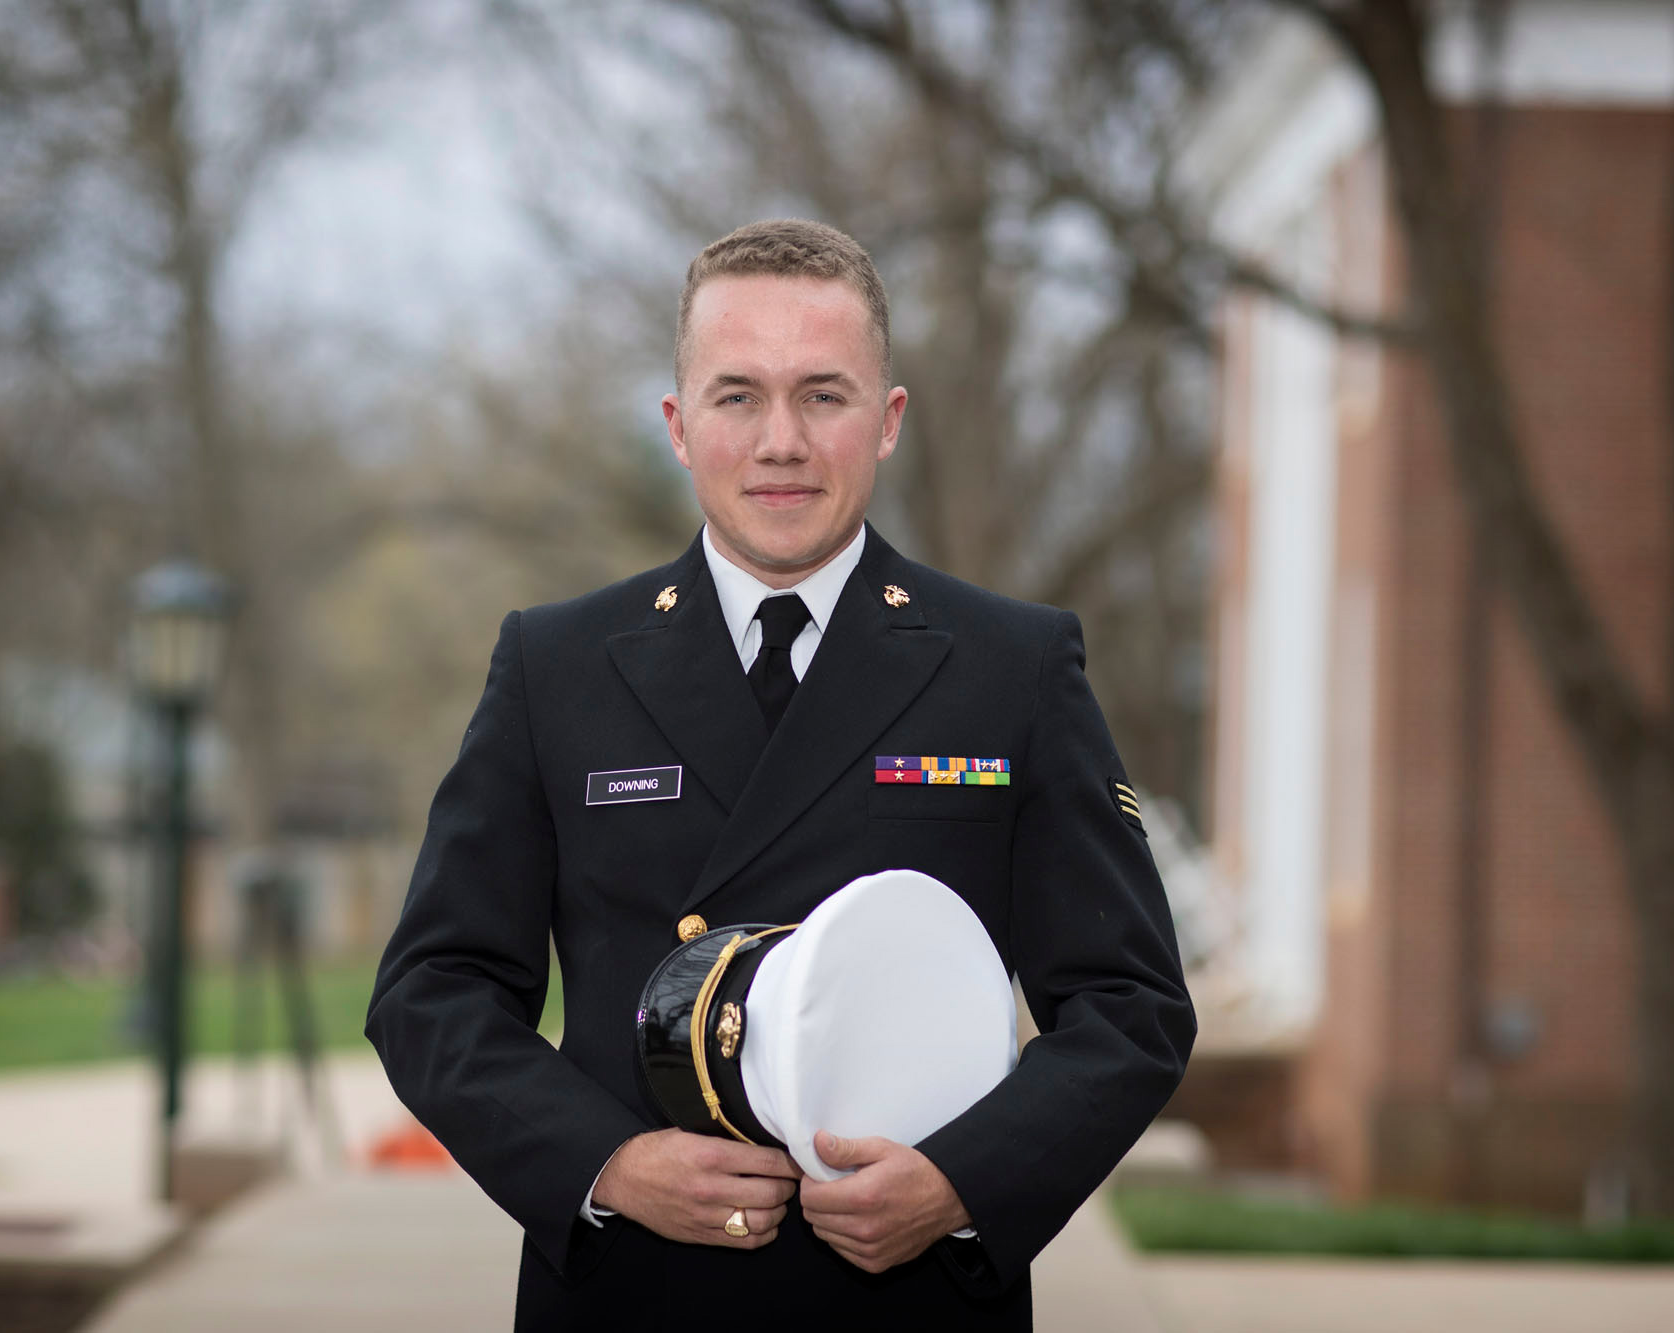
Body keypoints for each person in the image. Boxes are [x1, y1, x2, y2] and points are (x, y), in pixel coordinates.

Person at [366, 219, 1194, 1331]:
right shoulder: (555, 667)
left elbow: (1128, 1003)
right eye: (736, 396)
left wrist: (962, 1184)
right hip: (634, 1294)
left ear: (887, 420)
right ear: (677, 424)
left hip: (907, 1299)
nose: (780, 442)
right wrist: (606, 1162)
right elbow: (432, 988)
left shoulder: (1011, 667)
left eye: (823, 395)